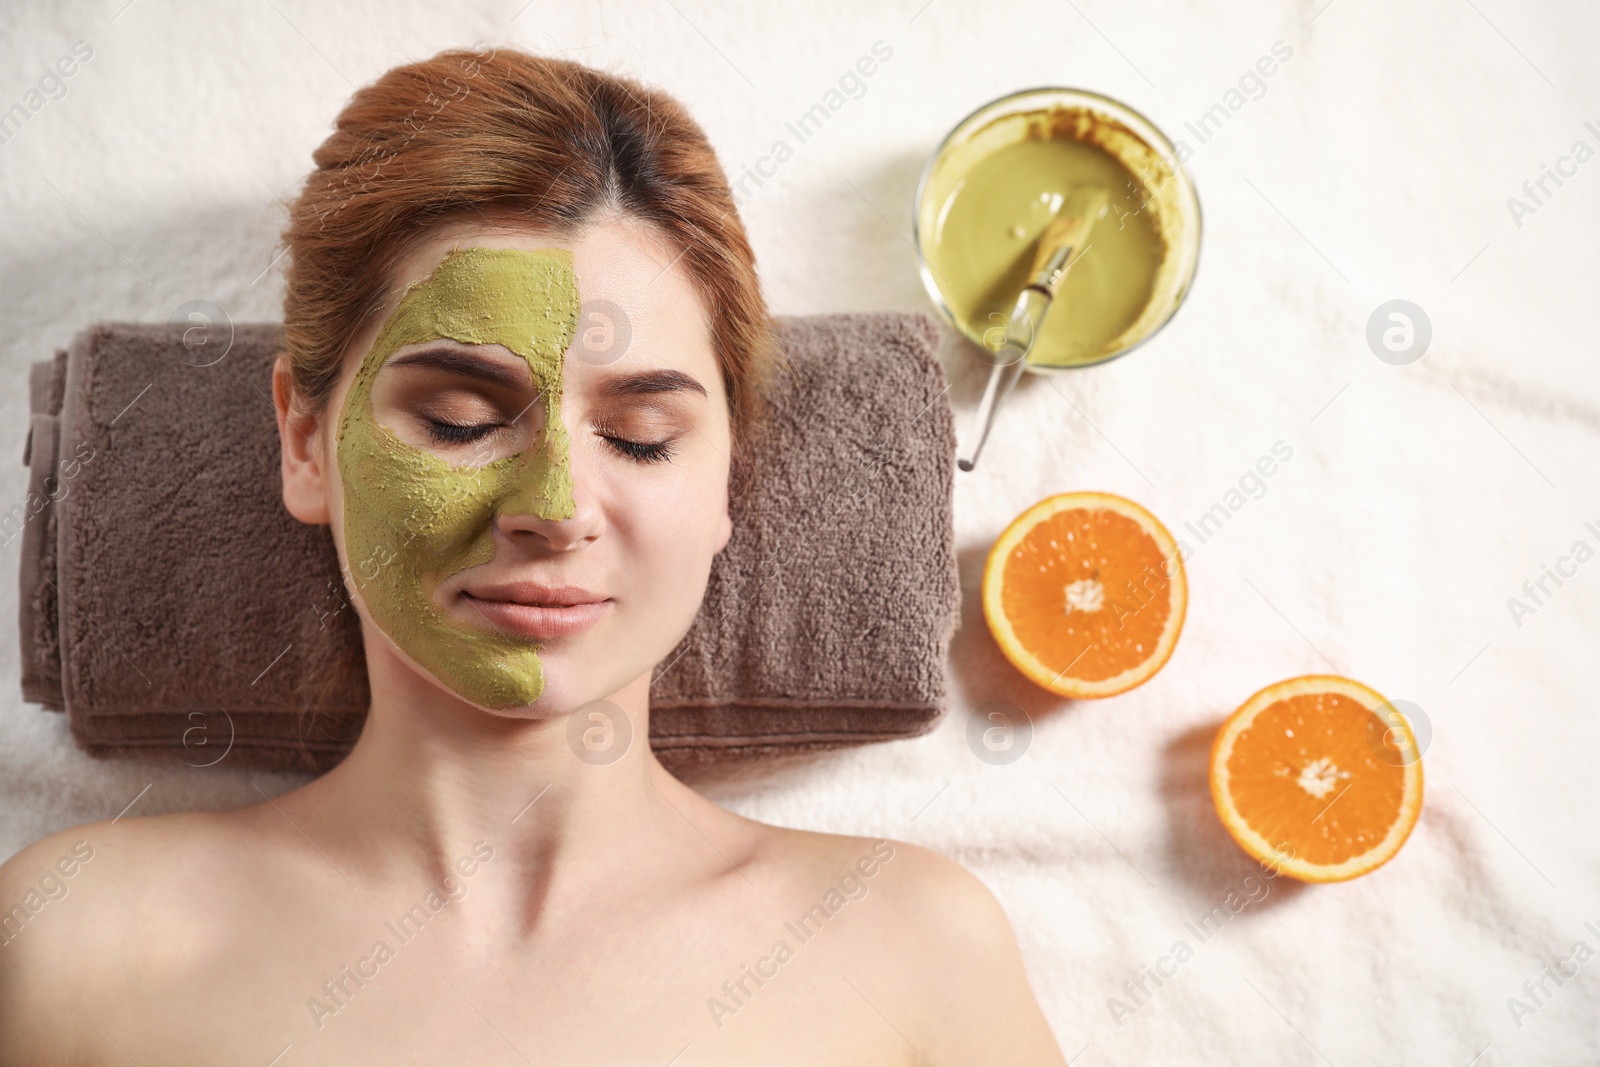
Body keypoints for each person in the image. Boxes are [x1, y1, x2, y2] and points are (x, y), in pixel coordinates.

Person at [0, 46, 1066, 1065]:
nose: (555, 507)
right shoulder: (75, 943)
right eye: (461, 420)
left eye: (641, 436)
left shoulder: (911, 950)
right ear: (306, 440)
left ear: (727, 476)